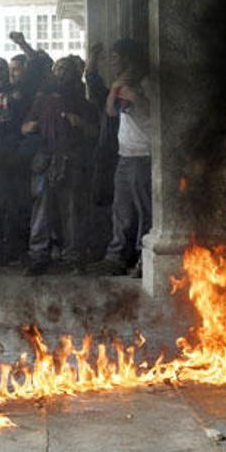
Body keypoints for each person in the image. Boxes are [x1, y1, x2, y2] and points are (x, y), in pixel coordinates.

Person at [0, 31, 52, 273]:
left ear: (8, 72)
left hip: (17, 160)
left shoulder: (21, 91)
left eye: (1, 69)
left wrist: (23, 43)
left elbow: (40, 66)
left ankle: (19, 255)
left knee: (19, 209)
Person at [21, 55, 98, 276]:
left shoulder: (83, 103)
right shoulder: (42, 101)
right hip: (45, 159)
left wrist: (80, 123)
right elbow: (24, 126)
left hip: (71, 160)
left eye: (67, 70)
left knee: (72, 210)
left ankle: (74, 258)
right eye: (59, 69)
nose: (62, 73)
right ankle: (39, 256)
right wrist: (32, 126)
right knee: (42, 211)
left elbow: (95, 132)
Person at [87, 38, 152, 278]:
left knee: (145, 212)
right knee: (121, 209)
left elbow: (149, 113)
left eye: (116, 57)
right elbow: (111, 110)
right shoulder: (123, 84)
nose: (113, 62)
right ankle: (116, 258)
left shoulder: (145, 83)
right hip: (126, 154)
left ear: (129, 59)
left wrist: (129, 92)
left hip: (144, 154)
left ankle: (144, 261)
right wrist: (115, 89)